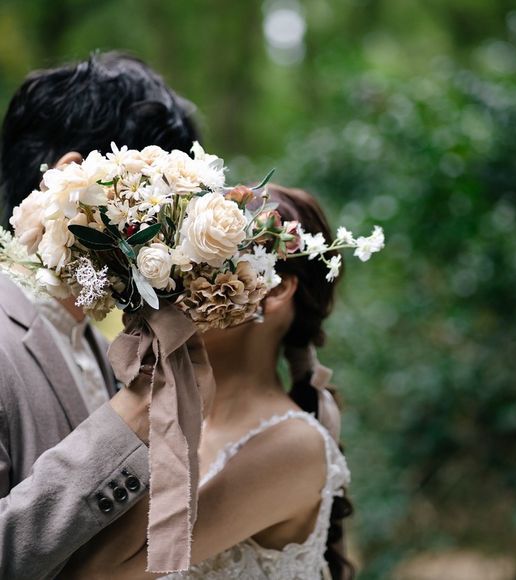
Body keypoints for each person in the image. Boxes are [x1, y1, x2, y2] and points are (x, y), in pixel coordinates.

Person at [59, 185, 355, 580]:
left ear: (275, 289)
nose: (178, 280)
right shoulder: (172, 417)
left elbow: (98, 572)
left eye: (208, 262)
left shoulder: (295, 446)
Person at [0, 51, 200, 579]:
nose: (172, 238)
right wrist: (128, 419)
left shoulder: (96, 340)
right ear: (73, 183)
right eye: (160, 203)